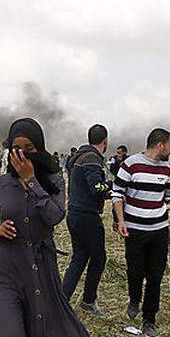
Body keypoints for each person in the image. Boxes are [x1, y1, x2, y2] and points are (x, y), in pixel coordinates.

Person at [0, 118, 141, 337]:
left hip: (42, 269)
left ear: (39, 149)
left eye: (29, 148)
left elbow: (55, 215)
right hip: (7, 271)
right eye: (16, 148)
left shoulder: (53, 180)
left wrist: (31, 181)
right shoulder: (1, 183)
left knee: (42, 333)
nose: (22, 154)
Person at [111, 128, 170, 337]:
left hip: (159, 231)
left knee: (155, 277)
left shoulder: (166, 169)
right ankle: (134, 299)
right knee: (135, 272)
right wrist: (121, 221)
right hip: (135, 232)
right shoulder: (130, 165)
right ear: (160, 145)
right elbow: (117, 194)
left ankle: (149, 319)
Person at [62, 124, 114, 316]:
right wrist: (112, 187)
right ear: (105, 140)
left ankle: (62, 299)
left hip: (75, 214)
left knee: (80, 257)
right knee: (99, 258)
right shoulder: (92, 159)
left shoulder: (79, 157)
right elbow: (96, 187)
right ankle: (88, 301)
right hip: (87, 216)